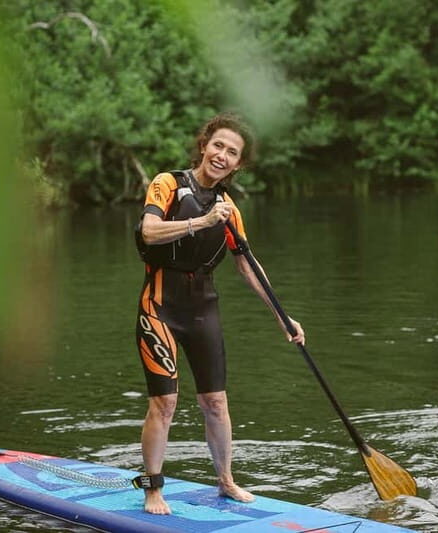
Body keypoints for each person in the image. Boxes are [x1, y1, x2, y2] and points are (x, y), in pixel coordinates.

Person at [135, 112, 306, 515]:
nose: (222, 155)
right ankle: (152, 489)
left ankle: (226, 481)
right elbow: (148, 231)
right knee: (165, 403)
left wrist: (285, 318)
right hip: (159, 306)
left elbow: (248, 265)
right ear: (203, 146)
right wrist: (202, 221)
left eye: (232, 152)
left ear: (238, 164)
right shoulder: (168, 184)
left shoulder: (229, 208)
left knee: (216, 401)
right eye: (218, 146)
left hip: (202, 310)